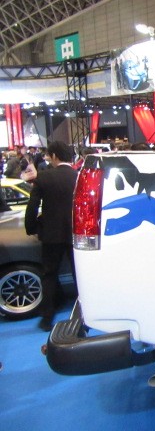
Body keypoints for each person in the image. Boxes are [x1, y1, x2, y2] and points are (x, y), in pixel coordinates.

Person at [25, 141, 78, 332]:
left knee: (49, 275)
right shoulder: (79, 176)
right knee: (78, 274)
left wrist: (31, 227)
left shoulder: (44, 177)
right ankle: (83, 314)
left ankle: (47, 318)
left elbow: (33, 206)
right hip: (76, 233)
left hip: (51, 234)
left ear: (54, 156)